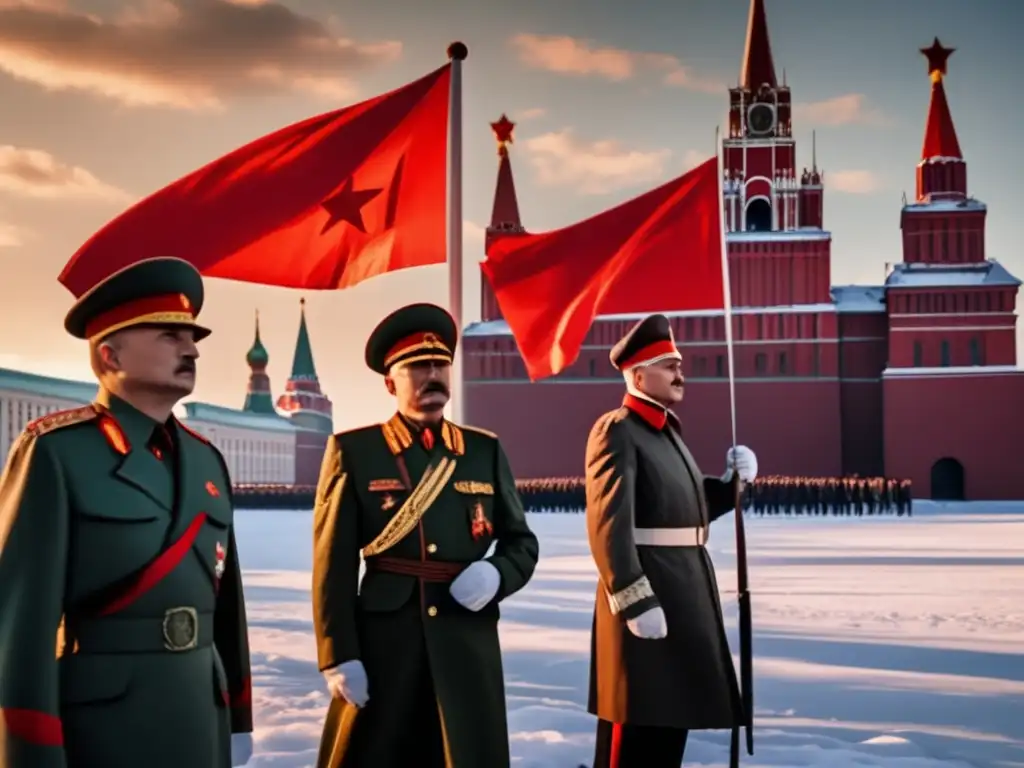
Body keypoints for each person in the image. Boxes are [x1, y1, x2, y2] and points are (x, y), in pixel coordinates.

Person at [0, 257, 253, 768]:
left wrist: (239, 717)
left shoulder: (206, 458)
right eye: (168, 335)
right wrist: (31, 750)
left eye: (192, 337)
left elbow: (227, 606)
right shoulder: (58, 452)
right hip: (104, 726)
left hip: (199, 714)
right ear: (109, 354)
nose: (192, 348)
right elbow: (19, 626)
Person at [312, 302, 539, 768]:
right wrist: (338, 653)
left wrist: (497, 575)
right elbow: (332, 563)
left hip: (464, 636)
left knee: (463, 751)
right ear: (390, 382)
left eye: (440, 365)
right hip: (385, 641)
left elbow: (521, 542)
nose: (432, 374)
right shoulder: (356, 451)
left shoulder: (482, 450)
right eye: (417, 366)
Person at [584, 313, 758, 768]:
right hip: (648, 600)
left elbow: (689, 508)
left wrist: (732, 485)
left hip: (682, 596)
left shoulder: (666, 432)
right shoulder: (618, 429)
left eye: (678, 363)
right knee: (638, 732)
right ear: (638, 375)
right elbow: (608, 524)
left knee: (668, 729)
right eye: (667, 364)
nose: (680, 372)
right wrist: (634, 600)